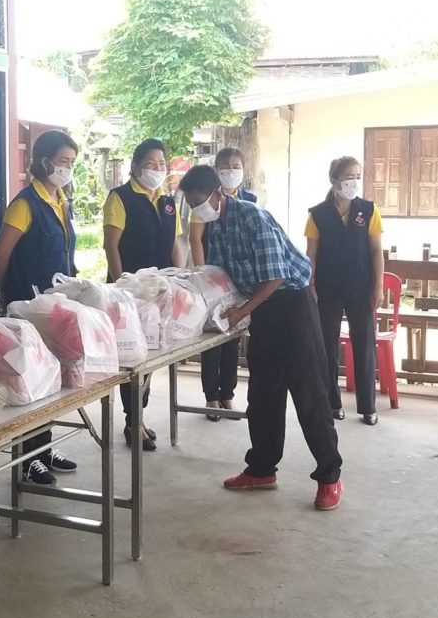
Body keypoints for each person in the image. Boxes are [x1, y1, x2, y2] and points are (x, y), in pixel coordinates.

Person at [179, 165, 343, 510]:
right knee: (263, 394)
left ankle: (329, 476)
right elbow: (221, 275)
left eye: (199, 202)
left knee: (309, 393)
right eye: (191, 205)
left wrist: (241, 313)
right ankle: (262, 469)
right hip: (262, 308)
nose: (197, 210)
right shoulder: (216, 226)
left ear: (217, 194)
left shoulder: (253, 217)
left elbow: (276, 277)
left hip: (292, 304)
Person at [0, 130, 80, 486]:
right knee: (29, 383)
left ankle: (43, 448)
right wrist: (7, 296)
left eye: (72, 162)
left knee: (51, 381)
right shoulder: (25, 204)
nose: (68, 168)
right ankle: (27, 458)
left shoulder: (61, 200)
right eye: (62, 161)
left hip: (56, 308)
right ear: (44, 162)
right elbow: (1, 255)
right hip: (27, 308)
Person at [103, 138, 184, 451]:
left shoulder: (167, 202)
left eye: (161, 164)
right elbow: (111, 245)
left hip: (160, 291)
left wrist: (179, 280)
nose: (157, 169)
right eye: (151, 163)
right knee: (133, 358)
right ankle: (132, 421)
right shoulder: (120, 197)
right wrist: (121, 286)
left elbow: (175, 243)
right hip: (130, 294)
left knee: (151, 358)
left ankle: (138, 416)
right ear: (135, 166)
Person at [305, 156, 384, 425]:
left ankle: (368, 407)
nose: (354, 182)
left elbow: (376, 251)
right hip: (327, 288)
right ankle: (332, 403)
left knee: (365, 345)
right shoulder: (318, 214)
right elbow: (311, 254)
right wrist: (310, 284)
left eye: (357, 177)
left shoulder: (368, 210)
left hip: (361, 288)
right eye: (349, 177)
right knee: (327, 345)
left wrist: (378, 286)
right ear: (334, 180)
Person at [189, 147, 257, 420]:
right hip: (213, 276)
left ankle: (228, 393)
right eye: (225, 166)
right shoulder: (205, 199)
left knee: (233, 336)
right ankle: (211, 396)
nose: (231, 171)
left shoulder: (250, 200)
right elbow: (196, 239)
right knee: (213, 338)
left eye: (236, 166)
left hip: (239, 278)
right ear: (216, 170)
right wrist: (203, 275)